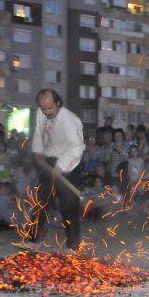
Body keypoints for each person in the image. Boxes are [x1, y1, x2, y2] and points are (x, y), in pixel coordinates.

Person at [25, 89, 85, 252]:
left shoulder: (70, 121)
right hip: (48, 161)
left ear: (58, 103)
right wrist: (38, 152)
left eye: (50, 108)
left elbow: (76, 148)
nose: (46, 112)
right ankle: (34, 240)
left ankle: (73, 246)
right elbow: (38, 132)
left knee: (68, 205)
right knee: (42, 200)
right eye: (43, 108)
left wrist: (61, 167)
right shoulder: (41, 113)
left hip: (69, 163)